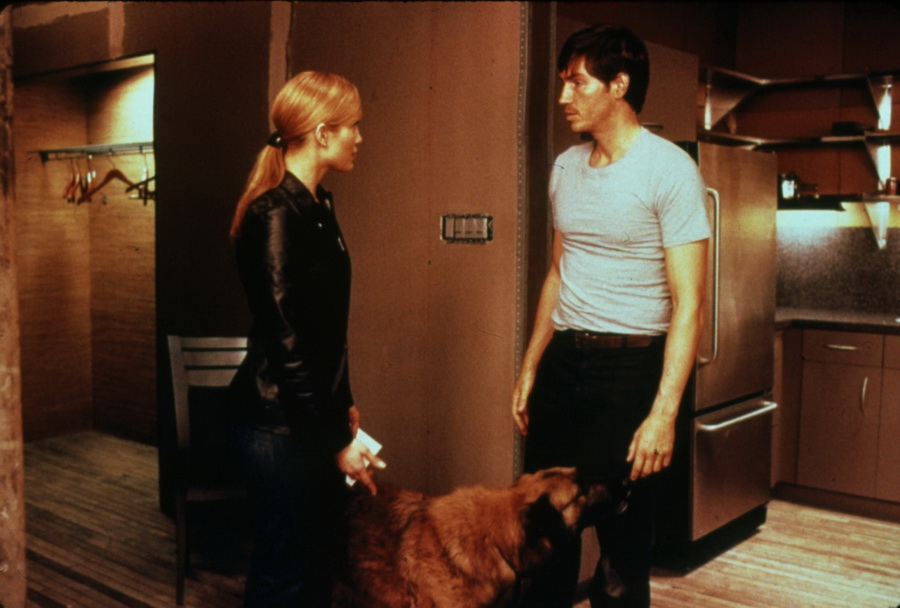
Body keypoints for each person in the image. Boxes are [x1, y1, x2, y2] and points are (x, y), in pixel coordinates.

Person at [511, 25, 710, 607]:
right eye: (563, 83)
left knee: (621, 557)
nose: (563, 96)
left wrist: (663, 415)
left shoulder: (670, 170)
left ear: (619, 85)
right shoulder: (565, 168)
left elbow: (690, 304)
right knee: (543, 539)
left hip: (631, 372)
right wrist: (530, 366)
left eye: (576, 82)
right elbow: (558, 271)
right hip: (564, 365)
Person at [227, 71, 385, 607]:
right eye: (352, 126)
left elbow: (326, 331)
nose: (359, 137)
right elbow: (287, 343)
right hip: (276, 425)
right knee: (286, 574)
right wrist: (334, 439)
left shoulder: (317, 207)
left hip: (305, 416)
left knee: (316, 567)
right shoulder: (274, 213)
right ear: (322, 133)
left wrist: (344, 404)